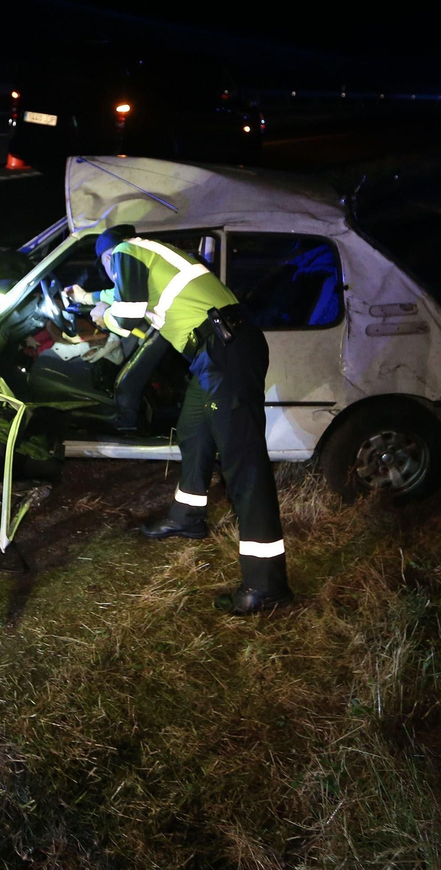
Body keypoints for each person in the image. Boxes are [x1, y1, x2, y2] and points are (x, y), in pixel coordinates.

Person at [66, 225, 293, 614]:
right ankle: (188, 517)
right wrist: (88, 298)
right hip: (216, 354)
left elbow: (129, 313)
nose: (110, 275)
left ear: (109, 254)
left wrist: (104, 317)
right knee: (193, 431)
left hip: (226, 353)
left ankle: (266, 585)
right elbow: (117, 295)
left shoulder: (126, 251)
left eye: (107, 268)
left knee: (244, 465)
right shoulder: (147, 257)